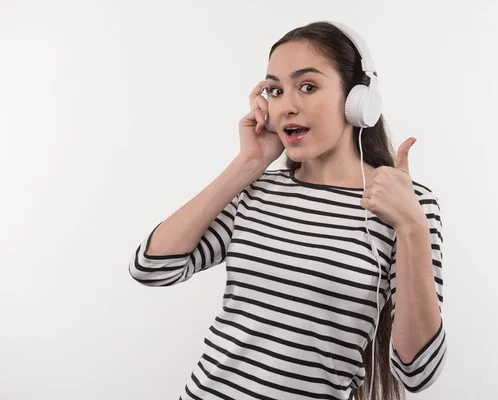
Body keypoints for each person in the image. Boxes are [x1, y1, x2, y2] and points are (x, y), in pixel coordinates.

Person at [129, 21, 447, 400]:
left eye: (308, 86)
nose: (287, 106)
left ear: (357, 100)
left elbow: (417, 371)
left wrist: (411, 226)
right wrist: (248, 163)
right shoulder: (256, 190)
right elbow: (151, 268)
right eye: (276, 90)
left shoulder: (407, 204)